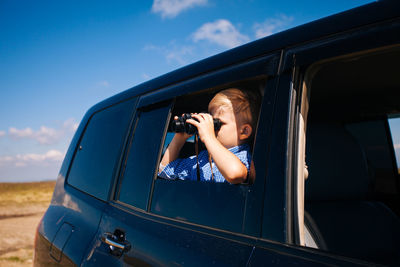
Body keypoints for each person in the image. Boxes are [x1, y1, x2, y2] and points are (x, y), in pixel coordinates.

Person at [158, 88, 260, 184]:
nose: (211, 127)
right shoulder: (203, 158)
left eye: (217, 123)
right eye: (211, 121)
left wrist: (209, 138)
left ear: (244, 131)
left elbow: (235, 173)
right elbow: (164, 171)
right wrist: (179, 138)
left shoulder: (243, 157)